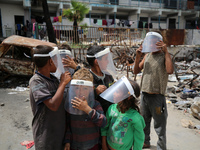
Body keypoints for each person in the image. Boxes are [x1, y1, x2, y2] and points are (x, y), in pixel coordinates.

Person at [133, 31, 174, 150]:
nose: (150, 43)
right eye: (149, 41)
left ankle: (161, 147)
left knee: (160, 125)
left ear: (159, 43)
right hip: (145, 95)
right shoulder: (147, 55)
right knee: (144, 122)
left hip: (157, 97)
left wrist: (166, 52)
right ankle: (145, 142)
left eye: (153, 41)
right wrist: (137, 57)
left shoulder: (164, 56)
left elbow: (170, 70)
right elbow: (135, 71)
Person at [29, 45, 72, 150]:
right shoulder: (36, 81)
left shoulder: (54, 80)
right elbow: (53, 105)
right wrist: (62, 84)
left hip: (59, 135)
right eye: (56, 59)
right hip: (46, 137)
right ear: (50, 61)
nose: (58, 62)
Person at [62, 45, 115, 113]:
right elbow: (79, 97)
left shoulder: (108, 76)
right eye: (105, 59)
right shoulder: (86, 78)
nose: (108, 61)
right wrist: (95, 92)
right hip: (95, 117)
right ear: (96, 62)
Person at [64, 68, 107, 150]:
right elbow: (68, 125)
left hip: (92, 145)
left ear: (92, 89)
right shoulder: (72, 105)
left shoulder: (95, 104)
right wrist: (67, 141)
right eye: (77, 88)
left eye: (85, 88)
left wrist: (87, 109)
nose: (80, 92)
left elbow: (103, 122)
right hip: (75, 146)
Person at [101, 76, 145, 150]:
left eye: (117, 92)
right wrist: (104, 145)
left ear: (128, 96)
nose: (113, 93)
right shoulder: (112, 108)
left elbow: (139, 139)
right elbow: (105, 128)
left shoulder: (135, 117)